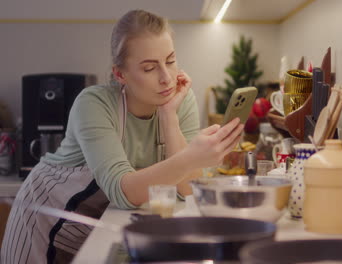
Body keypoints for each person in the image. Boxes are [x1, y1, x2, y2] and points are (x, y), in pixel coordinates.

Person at [1, 9, 243, 264]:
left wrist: (169, 116)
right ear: (120, 74)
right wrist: (191, 158)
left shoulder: (181, 100)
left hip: (91, 225)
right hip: (45, 218)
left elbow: (187, 189)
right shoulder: (94, 104)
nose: (166, 77)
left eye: (170, 61)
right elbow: (123, 192)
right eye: (150, 68)